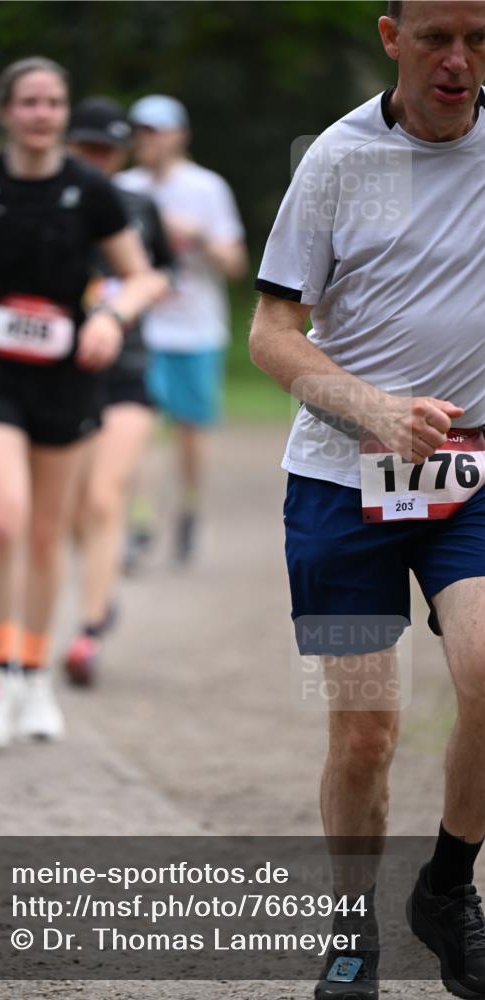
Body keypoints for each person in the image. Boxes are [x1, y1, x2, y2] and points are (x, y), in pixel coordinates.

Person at [250, 2, 485, 997]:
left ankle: (445, 887)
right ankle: (350, 926)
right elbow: (269, 332)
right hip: (339, 481)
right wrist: (373, 409)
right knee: (366, 730)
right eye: (437, 37)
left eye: (478, 37)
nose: (458, 61)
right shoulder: (338, 160)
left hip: (466, 474)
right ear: (392, 36)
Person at [0, 57, 167, 747]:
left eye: (53, 102)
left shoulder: (90, 191)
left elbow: (141, 279)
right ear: (5, 112)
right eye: (28, 102)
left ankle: (33, 675)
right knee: (4, 520)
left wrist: (111, 319)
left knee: (49, 532)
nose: (41, 114)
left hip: (67, 379)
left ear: (63, 112)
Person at [63, 96, 174, 684]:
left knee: (106, 498)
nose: (96, 159)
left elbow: (160, 272)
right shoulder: (51, 206)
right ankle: (101, 593)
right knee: (74, 508)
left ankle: (87, 633)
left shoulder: (137, 207)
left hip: (126, 371)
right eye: (86, 148)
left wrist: (139, 294)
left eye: (106, 149)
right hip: (62, 375)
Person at [117, 95, 248, 564]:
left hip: (196, 331)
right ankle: (140, 522)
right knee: (138, 428)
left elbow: (236, 263)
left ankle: (189, 511)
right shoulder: (122, 186)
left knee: (190, 435)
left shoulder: (207, 188)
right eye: (140, 131)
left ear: (180, 135)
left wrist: (197, 236)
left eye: (156, 130)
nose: (146, 140)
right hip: (140, 329)